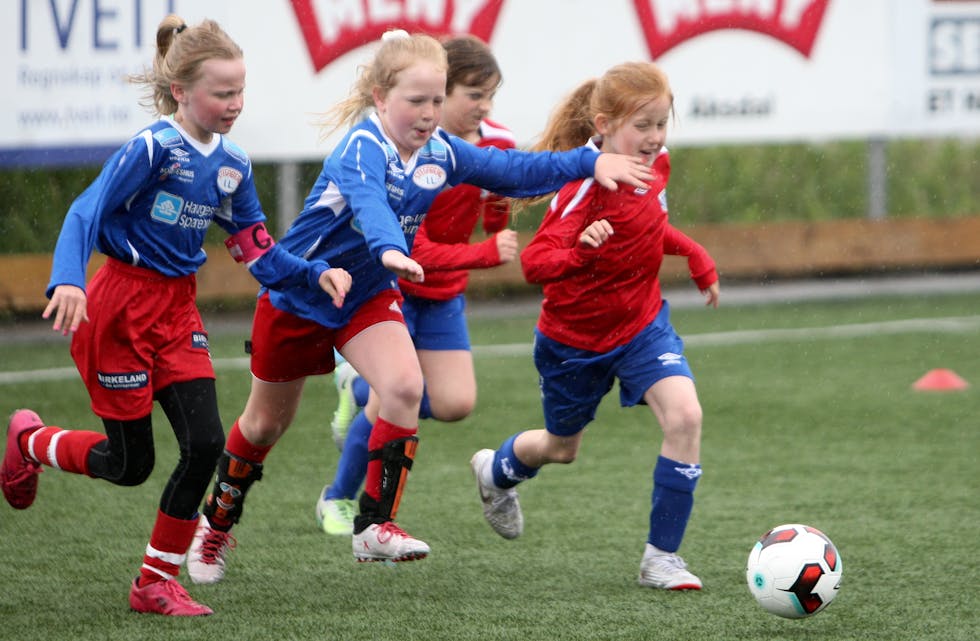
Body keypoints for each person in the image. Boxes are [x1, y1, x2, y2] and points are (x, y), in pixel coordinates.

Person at [185, 30, 653, 584]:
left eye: (437, 101)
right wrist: (388, 248)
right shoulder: (362, 146)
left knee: (405, 387)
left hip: (365, 296)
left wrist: (588, 160)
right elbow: (369, 204)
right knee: (263, 426)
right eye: (417, 101)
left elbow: (511, 172)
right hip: (302, 295)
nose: (430, 114)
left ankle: (373, 527)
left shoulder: (439, 152)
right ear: (381, 98)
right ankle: (213, 528)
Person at [0, 15, 350, 617]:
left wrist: (311, 271)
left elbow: (254, 247)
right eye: (222, 93)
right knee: (130, 465)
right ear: (182, 92)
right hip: (119, 309)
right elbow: (87, 210)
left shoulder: (233, 162)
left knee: (207, 442)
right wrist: (66, 278)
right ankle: (30, 442)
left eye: (240, 91)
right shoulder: (153, 148)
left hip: (177, 309)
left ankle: (154, 583)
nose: (235, 104)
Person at [468, 61, 720, 590]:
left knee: (686, 416)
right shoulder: (581, 186)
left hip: (642, 324)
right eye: (642, 126)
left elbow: (650, 229)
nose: (654, 139)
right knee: (562, 449)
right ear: (603, 125)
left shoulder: (658, 164)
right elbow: (536, 263)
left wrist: (695, 256)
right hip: (573, 342)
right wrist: (582, 253)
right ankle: (495, 472)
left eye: (660, 124)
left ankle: (662, 559)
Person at [315, 34, 518, 536]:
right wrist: (483, 254)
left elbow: (498, 202)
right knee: (391, 397)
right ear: (440, 93)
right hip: (395, 289)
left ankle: (357, 385)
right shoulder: (400, 149)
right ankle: (337, 497)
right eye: (473, 94)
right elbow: (411, 248)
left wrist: (497, 223)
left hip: (444, 293)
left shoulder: (497, 144)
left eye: (490, 95)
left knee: (454, 404)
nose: (484, 107)